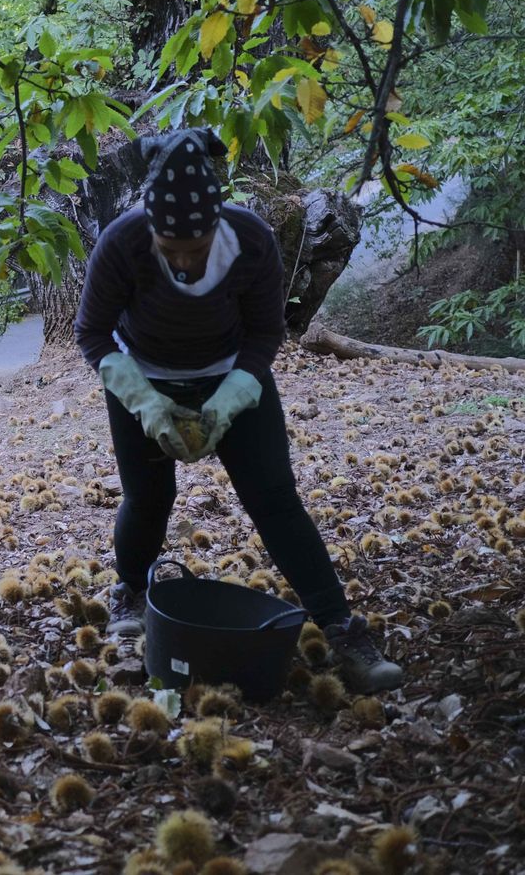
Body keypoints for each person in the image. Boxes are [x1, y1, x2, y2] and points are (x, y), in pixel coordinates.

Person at [74, 128, 403, 694]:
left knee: (275, 499)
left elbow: (266, 331)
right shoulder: (122, 241)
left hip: (231, 374)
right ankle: (130, 587)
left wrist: (226, 403)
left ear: (217, 224)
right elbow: (93, 333)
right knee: (149, 497)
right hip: (143, 378)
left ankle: (343, 629)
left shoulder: (251, 239)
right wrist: (149, 407)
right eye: (168, 247)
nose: (181, 260)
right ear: (150, 226)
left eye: (194, 248)